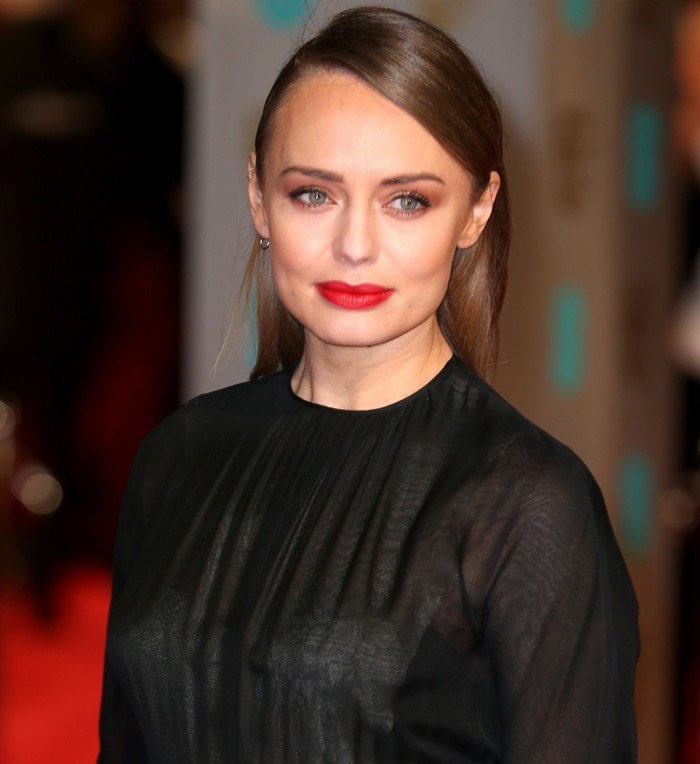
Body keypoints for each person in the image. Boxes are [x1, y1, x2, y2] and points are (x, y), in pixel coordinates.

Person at [98, 6, 639, 762]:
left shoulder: (526, 503)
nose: (354, 245)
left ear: (476, 212)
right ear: (258, 197)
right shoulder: (176, 457)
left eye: (407, 200)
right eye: (312, 194)